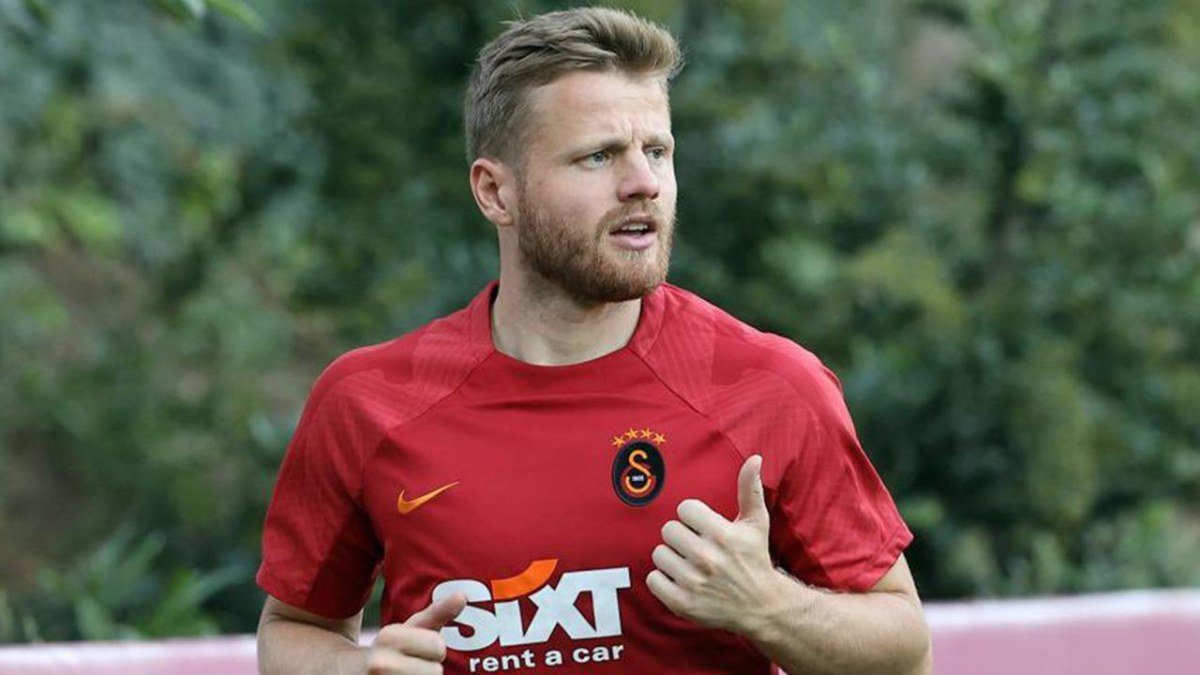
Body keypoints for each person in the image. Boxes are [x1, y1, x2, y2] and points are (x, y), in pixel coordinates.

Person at [256, 7, 931, 675]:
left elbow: (907, 654)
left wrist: (770, 607)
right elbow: (295, 629)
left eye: (657, 151)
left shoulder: (770, 385)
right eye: (598, 156)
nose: (643, 183)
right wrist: (353, 670)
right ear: (495, 193)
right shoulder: (366, 402)